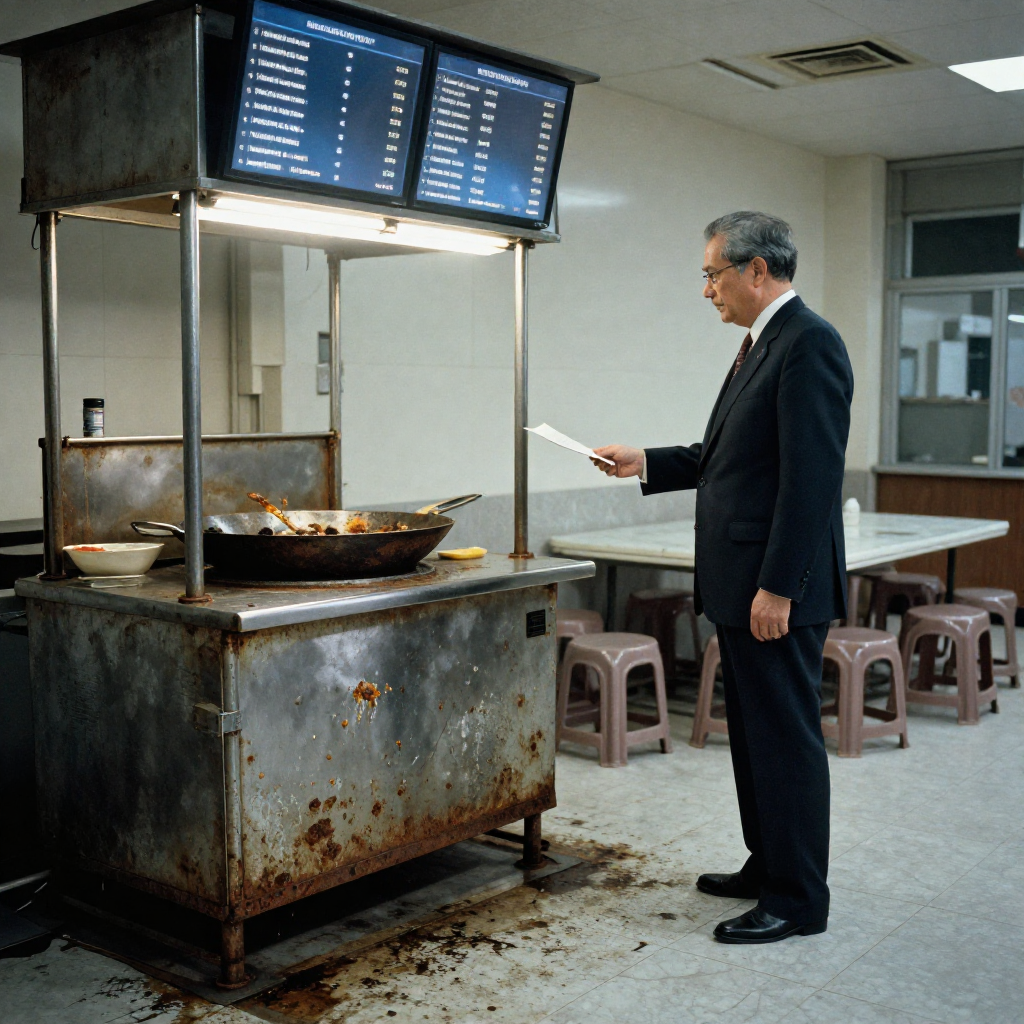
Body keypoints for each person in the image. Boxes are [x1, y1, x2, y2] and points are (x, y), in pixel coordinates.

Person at [594, 211, 853, 944]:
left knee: (785, 739)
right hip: (743, 586)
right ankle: (767, 862)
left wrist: (780, 586)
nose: (705, 289)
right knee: (754, 736)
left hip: (773, 590)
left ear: (756, 271)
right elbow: (727, 456)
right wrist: (644, 459)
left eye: (712, 274)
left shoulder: (809, 344)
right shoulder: (761, 346)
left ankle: (798, 898)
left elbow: (811, 481)